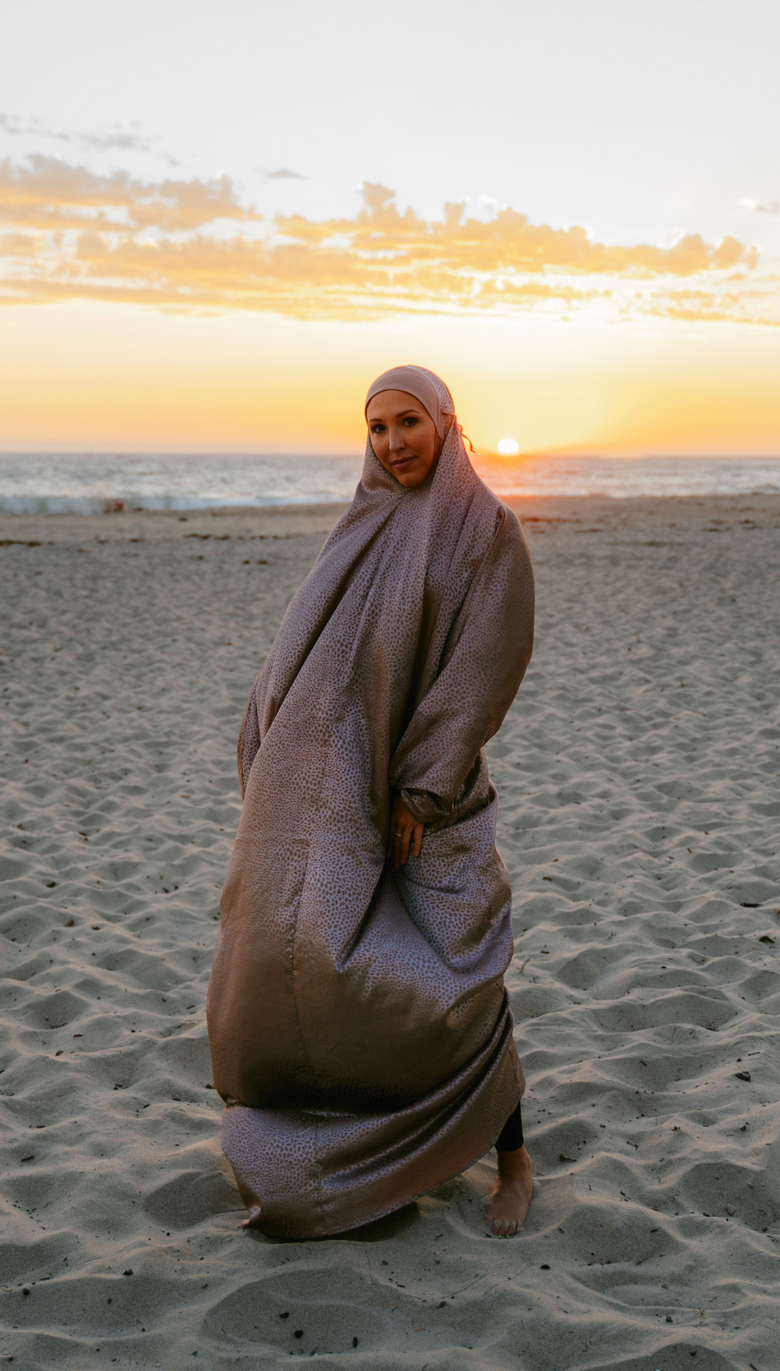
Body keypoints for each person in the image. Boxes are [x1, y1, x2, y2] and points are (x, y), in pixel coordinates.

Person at [206, 364, 536, 1238]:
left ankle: (512, 1158)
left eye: (407, 423)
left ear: (447, 424)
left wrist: (422, 788)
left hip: (429, 797)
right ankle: (354, 1146)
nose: (392, 443)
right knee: (316, 959)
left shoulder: (486, 530)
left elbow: (484, 665)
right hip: (329, 796)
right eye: (377, 427)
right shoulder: (362, 522)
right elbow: (301, 647)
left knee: (463, 966)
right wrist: (265, 747)